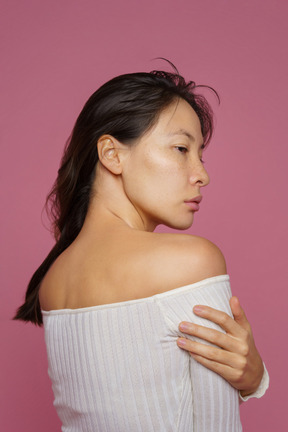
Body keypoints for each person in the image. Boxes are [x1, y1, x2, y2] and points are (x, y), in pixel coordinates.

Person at [14, 66, 269, 431]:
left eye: (201, 155)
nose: (201, 174)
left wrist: (254, 379)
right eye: (181, 149)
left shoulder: (54, 280)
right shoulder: (191, 262)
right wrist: (255, 379)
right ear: (112, 155)